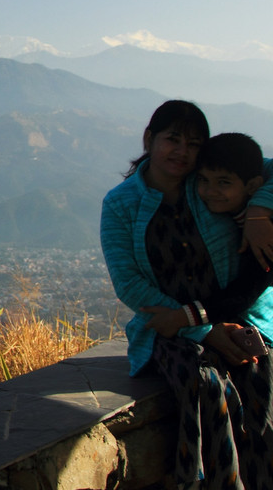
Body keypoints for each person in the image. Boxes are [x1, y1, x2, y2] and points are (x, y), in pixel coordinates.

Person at [101, 101, 273, 489]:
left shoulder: (209, 182)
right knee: (207, 383)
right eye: (172, 139)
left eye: (193, 143)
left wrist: (261, 211)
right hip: (169, 328)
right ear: (149, 139)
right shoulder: (121, 203)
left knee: (257, 375)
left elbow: (268, 170)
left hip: (235, 315)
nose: (182, 151)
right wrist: (199, 328)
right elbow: (128, 283)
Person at [144, 133, 273, 338]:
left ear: (252, 186)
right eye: (203, 180)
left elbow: (243, 294)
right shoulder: (230, 216)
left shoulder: (264, 237)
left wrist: (181, 318)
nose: (210, 191)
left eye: (223, 182)